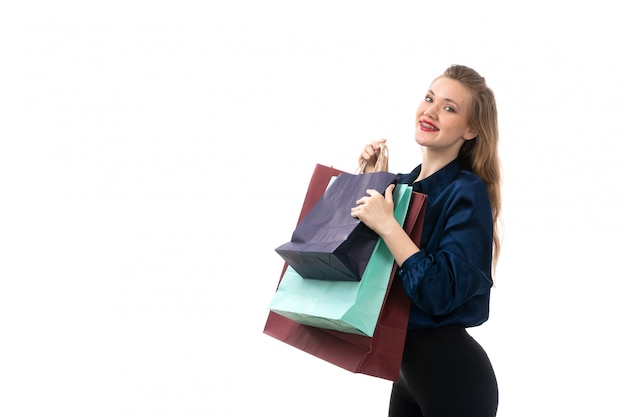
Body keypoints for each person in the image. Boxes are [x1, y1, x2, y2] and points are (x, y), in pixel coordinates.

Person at [352, 64, 501, 417]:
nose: (431, 111)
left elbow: (438, 292)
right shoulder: (402, 186)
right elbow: (359, 272)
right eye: (429, 98)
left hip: (454, 376)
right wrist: (368, 182)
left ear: (470, 130)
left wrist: (389, 227)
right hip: (403, 375)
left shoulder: (468, 192)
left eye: (449, 107)